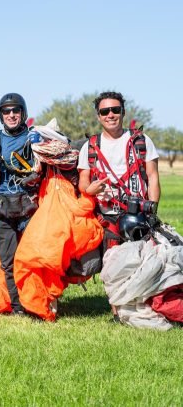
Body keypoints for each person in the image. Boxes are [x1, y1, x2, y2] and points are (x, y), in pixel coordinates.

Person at [77, 92, 160, 321]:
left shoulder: (141, 141)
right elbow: (83, 180)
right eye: (105, 111)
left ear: (123, 112)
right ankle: (118, 313)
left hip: (138, 214)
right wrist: (90, 189)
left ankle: (143, 306)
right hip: (108, 216)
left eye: (115, 110)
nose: (110, 115)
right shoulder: (90, 146)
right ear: (98, 116)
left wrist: (152, 209)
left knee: (142, 263)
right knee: (112, 265)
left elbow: (152, 177)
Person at [0, 93, 42, 315]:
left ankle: (37, 302)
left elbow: (53, 165)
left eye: (15, 111)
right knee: (8, 260)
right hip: (3, 208)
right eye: (6, 111)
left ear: (23, 113)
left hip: (30, 207)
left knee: (33, 258)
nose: (11, 115)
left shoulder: (35, 136)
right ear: (1, 115)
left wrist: (43, 148)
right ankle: (17, 305)